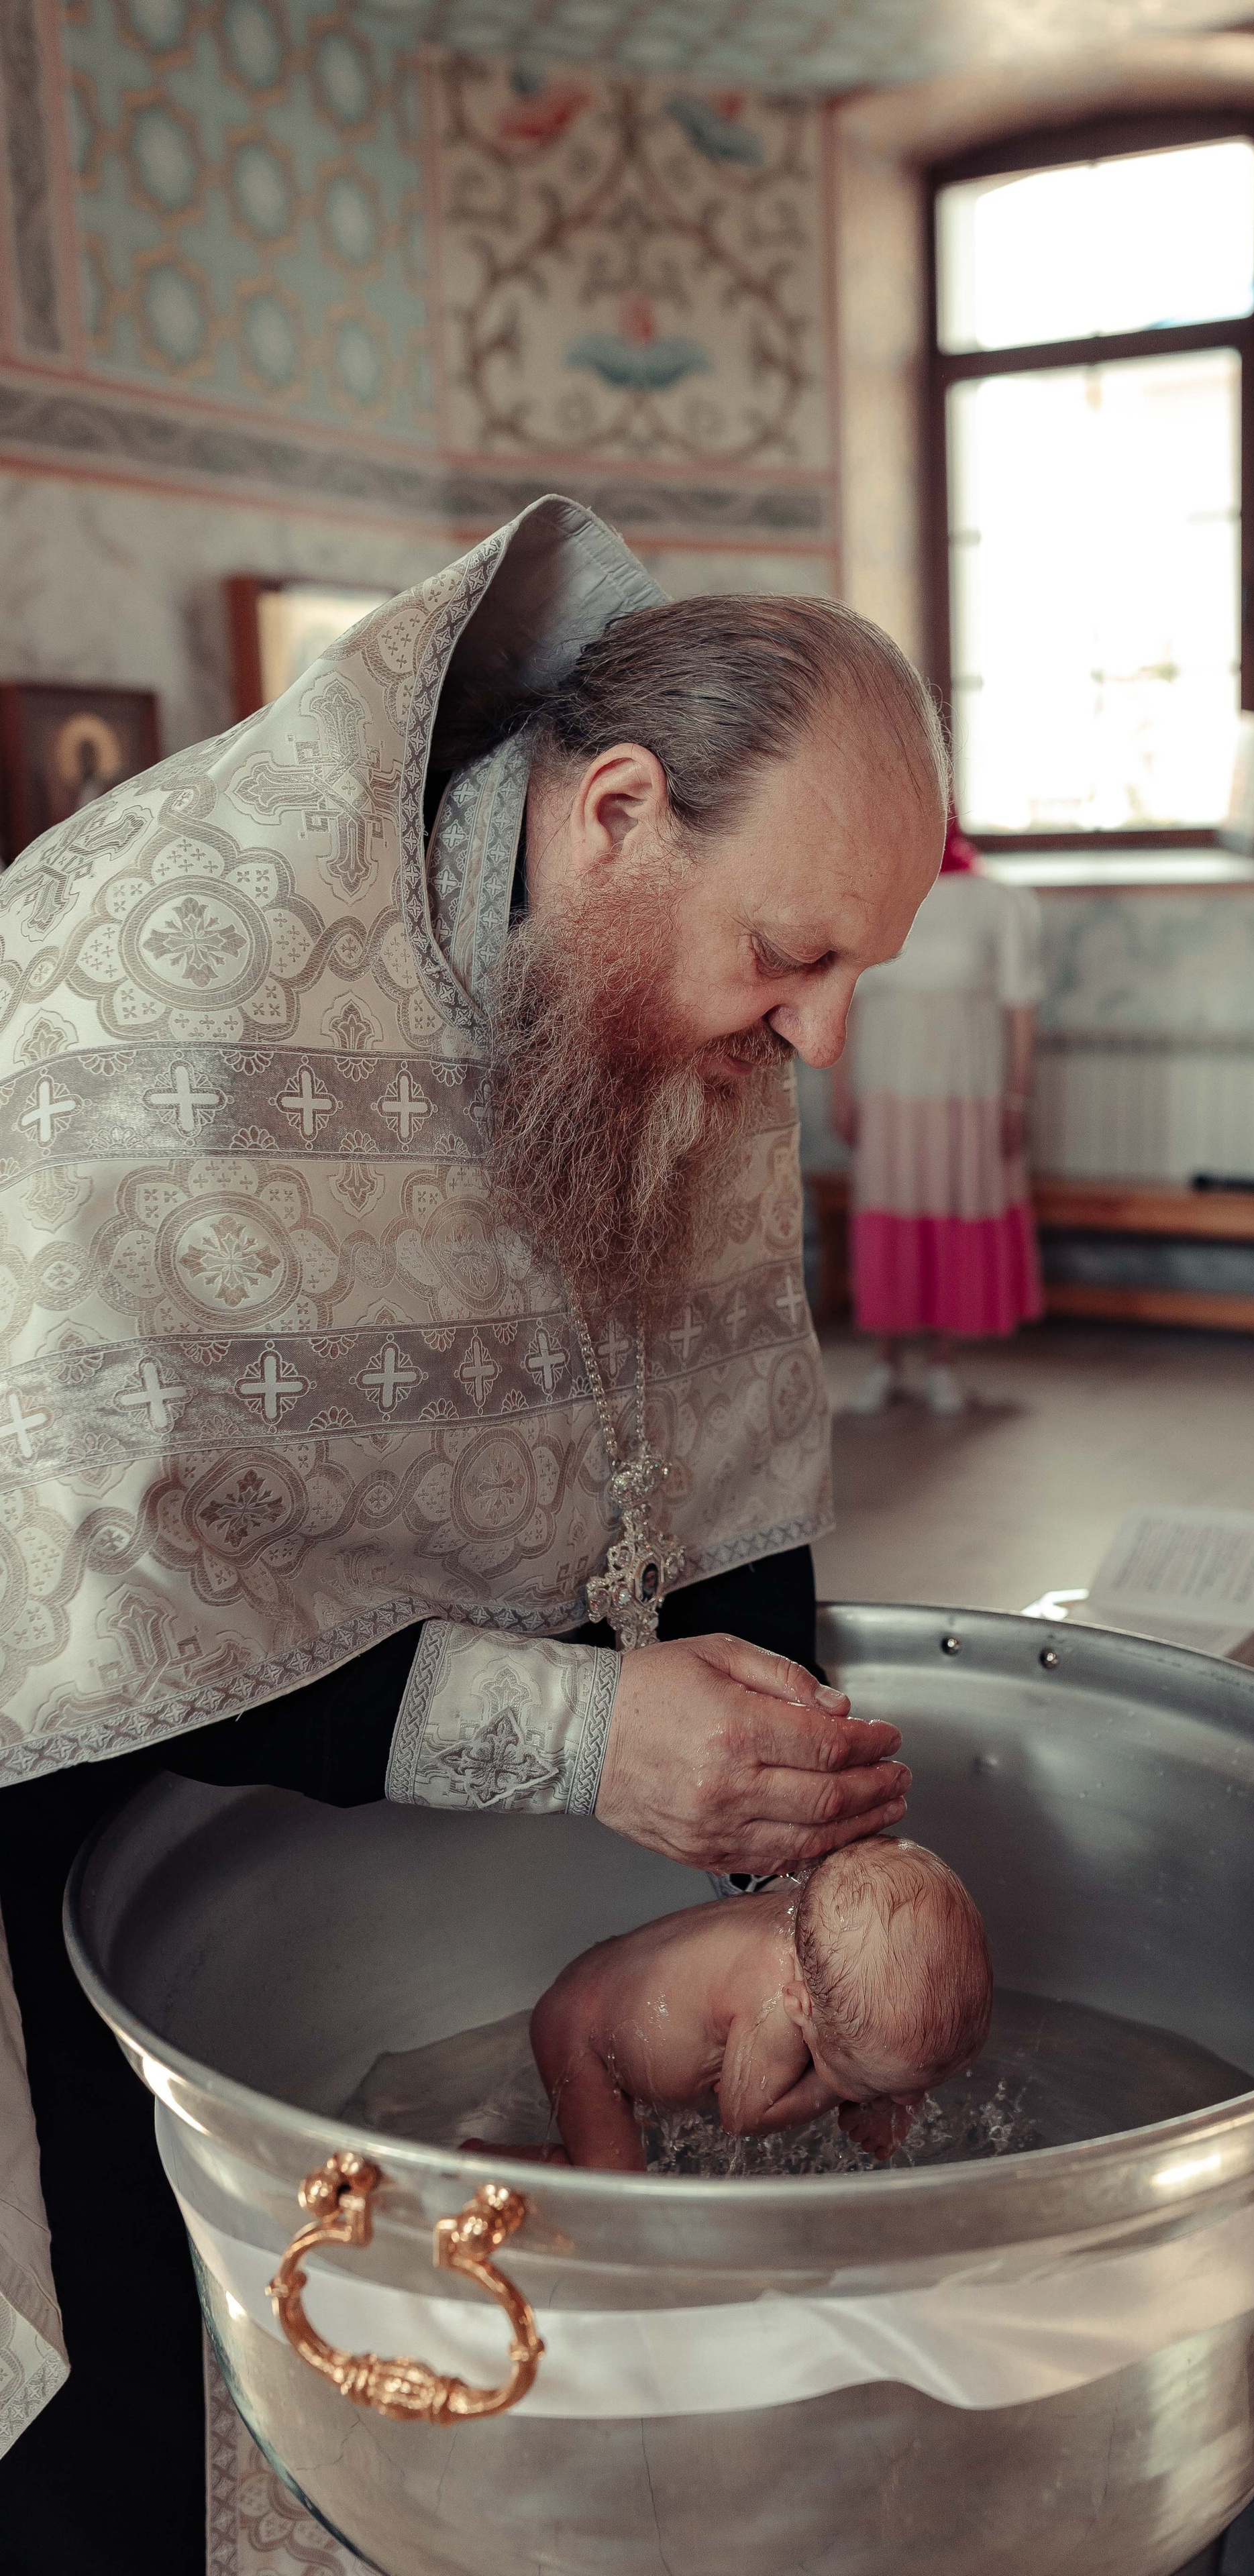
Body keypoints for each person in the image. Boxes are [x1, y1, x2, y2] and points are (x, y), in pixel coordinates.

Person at [0, 496, 947, 2571]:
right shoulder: (159, 995)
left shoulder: (663, 972)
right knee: (157, 2398)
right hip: (89, 1826)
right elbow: (96, 1589)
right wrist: (573, 1735)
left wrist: (792, 1849)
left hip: (429, 1805)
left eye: (860, 968)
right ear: (615, 811)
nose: (822, 1037)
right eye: (796, 956)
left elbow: (703, 1413)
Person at [527, 1837, 993, 2169]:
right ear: (800, 2010)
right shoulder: (773, 2002)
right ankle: (489, 2174)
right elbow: (744, 2116)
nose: (911, 2101)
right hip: (580, 2036)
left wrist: (880, 2084)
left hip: (611, 1975)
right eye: (876, 2088)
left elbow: (886, 2041)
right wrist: (844, 2091)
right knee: (616, 2199)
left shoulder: (831, 1931)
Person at [833, 812, 1045, 1415]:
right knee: (888, 1215)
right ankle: (884, 1359)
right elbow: (848, 1002)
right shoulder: (873, 896)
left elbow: (1020, 1005)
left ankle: (945, 1362)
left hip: (965, 1093)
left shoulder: (1000, 902)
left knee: (953, 1213)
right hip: (889, 1093)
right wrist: (840, 1092)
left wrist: (1017, 1097)